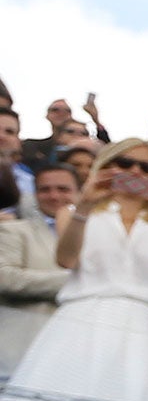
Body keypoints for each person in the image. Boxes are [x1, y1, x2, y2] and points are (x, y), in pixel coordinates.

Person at [0, 138, 148, 401]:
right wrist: (87, 204)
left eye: (147, 167)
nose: (134, 172)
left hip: (145, 328)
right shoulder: (76, 212)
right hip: (83, 320)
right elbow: (67, 259)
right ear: (106, 165)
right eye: (124, 163)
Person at [0, 157, 81, 367]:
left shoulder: (100, 235)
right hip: (23, 350)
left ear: (79, 193)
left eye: (63, 189)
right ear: (35, 194)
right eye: (45, 190)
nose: (54, 196)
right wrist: (76, 281)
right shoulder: (14, 230)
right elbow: (5, 278)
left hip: (79, 350)